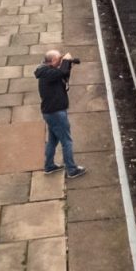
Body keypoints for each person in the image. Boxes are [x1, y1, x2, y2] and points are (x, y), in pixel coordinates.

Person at [36, 49, 87, 178]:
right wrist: (66, 62)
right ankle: (71, 169)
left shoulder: (48, 71)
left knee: (53, 140)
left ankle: (49, 166)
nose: (60, 61)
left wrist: (68, 64)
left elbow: (63, 76)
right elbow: (61, 72)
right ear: (53, 61)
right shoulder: (48, 73)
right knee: (67, 141)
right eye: (59, 59)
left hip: (51, 112)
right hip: (56, 113)